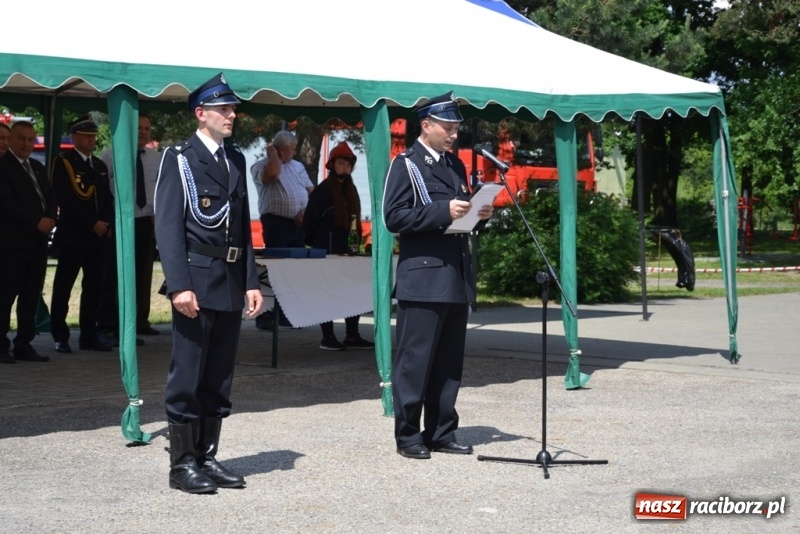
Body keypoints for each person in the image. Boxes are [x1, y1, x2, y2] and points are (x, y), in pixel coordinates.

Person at [154, 73, 263, 493]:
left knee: (218, 376)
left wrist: (251, 280)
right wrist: (179, 284)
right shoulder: (179, 158)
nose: (231, 115)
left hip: (230, 280)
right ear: (201, 114)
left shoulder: (234, 159)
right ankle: (182, 465)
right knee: (188, 373)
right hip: (196, 281)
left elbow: (241, 225)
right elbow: (168, 226)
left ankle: (206, 455)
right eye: (223, 109)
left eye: (232, 109)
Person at [382, 92, 494, 459]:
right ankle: (409, 435)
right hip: (423, 276)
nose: (453, 134)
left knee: (448, 362)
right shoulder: (406, 165)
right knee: (415, 361)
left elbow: (457, 218)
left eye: (456, 127)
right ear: (426, 126)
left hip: (454, 275)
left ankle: (442, 431)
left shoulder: (454, 166)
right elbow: (393, 218)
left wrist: (478, 213)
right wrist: (442, 210)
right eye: (447, 127)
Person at [49, 115, 115, 354]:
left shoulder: (99, 165)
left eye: (93, 136)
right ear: (75, 137)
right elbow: (66, 200)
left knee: (93, 288)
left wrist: (105, 222)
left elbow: (107, 198)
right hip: (74, 236)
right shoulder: (64, 162)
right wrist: (92, 224)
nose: (91, 140)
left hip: (97, 239)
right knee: (64, 287)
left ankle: (88, 335)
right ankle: (60, 335)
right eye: (86, 136)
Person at [303, 141, 375, 351]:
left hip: (348, 250)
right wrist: (314, 243)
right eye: (341, 163)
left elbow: (356, 219)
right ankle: (327, 337)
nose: (345, 167)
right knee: (327, 293)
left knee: (353, 292)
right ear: (332, 165)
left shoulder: (352, 191)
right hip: (326, 251)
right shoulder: (323, 191)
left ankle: (352, 336)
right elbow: (309, 221)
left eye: (348, 164)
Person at [97, 114, 161, 345]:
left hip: (144, 224)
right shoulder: (111, 155)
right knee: (112, 277)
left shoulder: (157, 158)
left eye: (147, 128)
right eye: (139, 127)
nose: (144, 132)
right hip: (118, 224)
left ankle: (127, 329)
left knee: (137, 279)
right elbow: (102, 192)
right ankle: (104, 327)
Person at [0, 121, 57, 363]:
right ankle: (1, 346)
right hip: (13, 243)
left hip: (37, 244)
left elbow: (50, 197)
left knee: (31, 295)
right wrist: (36, 221)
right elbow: (6, 203)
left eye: (31, 139)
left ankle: (24, 343)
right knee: (5, 295)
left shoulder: (37, 166)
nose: (26, 144)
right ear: (11, 140)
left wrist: (51, 218)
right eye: (21, 139)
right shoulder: (2, 166)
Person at [250, 130, 313, 330]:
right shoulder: (260, 166)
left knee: (295, 271)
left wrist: (306, 211)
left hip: (298, 225)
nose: (295, 153)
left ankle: (289, 313)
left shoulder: (298, 166)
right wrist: (272, 154)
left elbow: (312, 191)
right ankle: (271, 312)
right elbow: (273, 174)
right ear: (281, 150)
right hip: (276, 224)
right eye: (292, 149)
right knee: (277, 271)